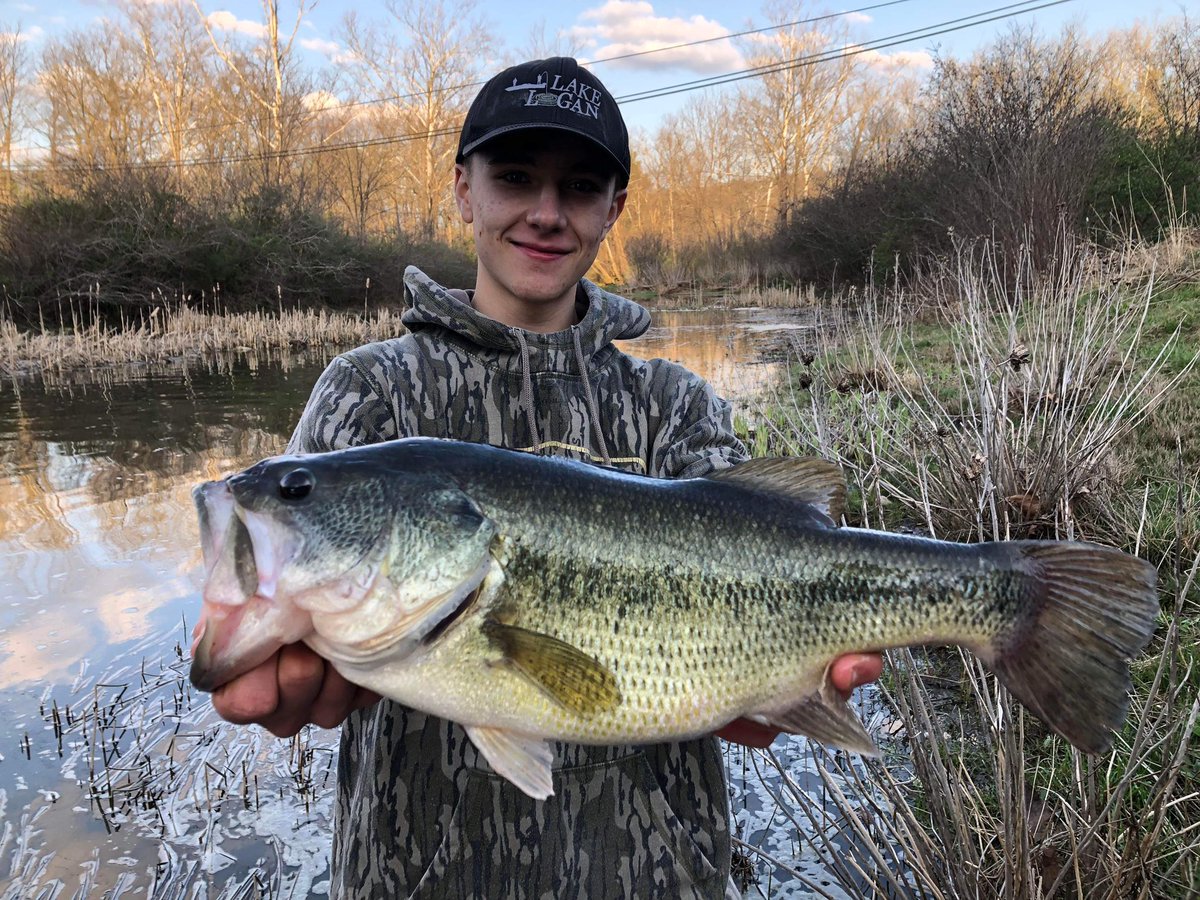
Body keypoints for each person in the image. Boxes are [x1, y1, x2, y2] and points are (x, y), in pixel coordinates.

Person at [209, 57, 882, 898]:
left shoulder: (674, 404)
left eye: (580, 187)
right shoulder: (369, 390)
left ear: (615, 209)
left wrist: (774, 687)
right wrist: (251, 642)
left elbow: (766, 563)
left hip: (657, 877)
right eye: (516, 177)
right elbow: (274, 610)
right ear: (464, 189)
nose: (546, 212)